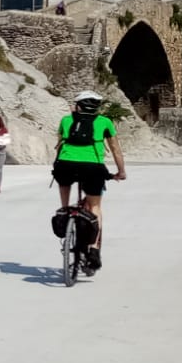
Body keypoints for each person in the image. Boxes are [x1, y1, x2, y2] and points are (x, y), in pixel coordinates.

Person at [53, 90, 126, 270]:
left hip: (65, 165)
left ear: (78, 105)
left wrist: (59, 164)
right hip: (92, 167)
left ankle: (64, 210)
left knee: (64, 183)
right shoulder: (105, 122)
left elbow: (60, 144)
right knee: (95, 207)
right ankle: (93, 249)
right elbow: (115, 149)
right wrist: (121, 171)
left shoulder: (66, 120)